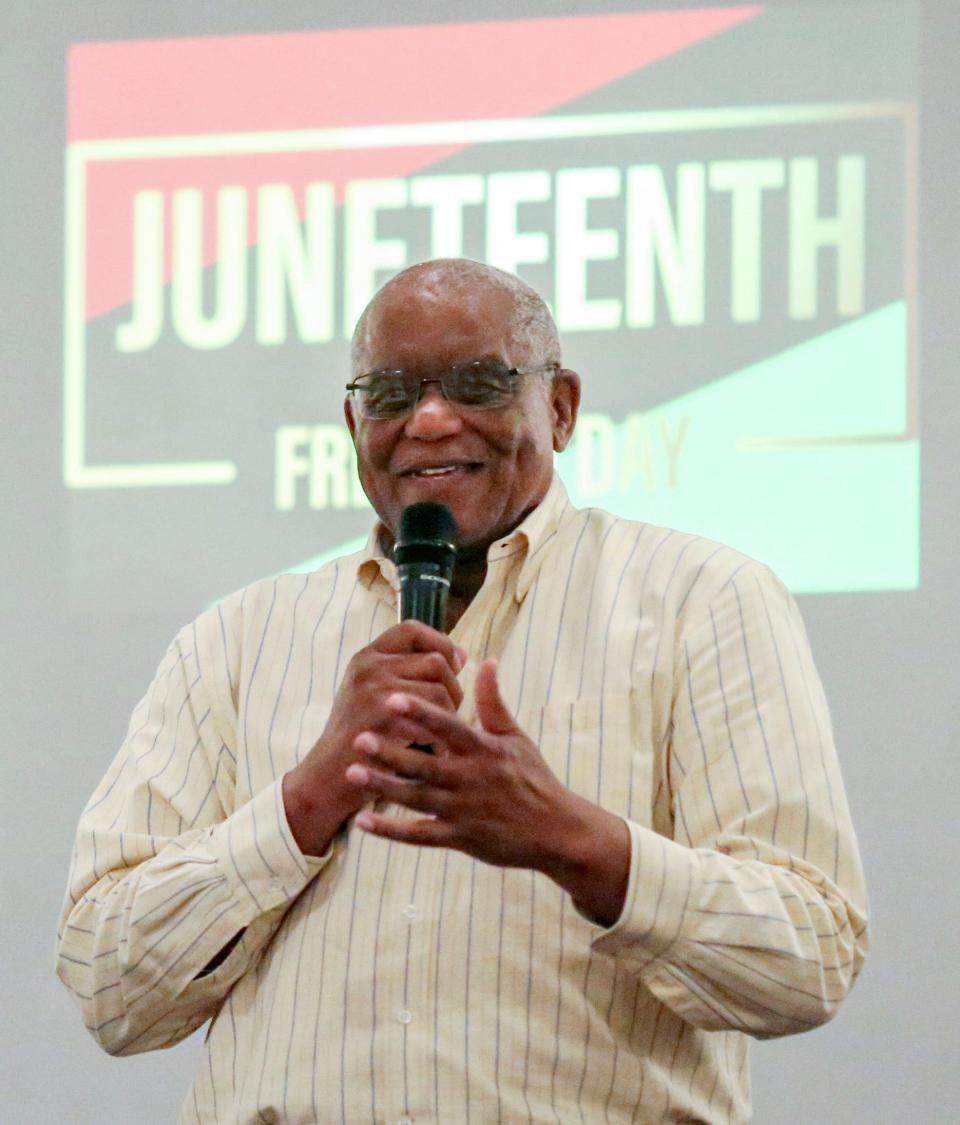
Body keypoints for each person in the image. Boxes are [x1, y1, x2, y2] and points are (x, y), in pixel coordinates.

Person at [57, 259, 868, 1124]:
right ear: (352, 420)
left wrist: (570, 839)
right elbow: (111, 986)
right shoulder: (234, 640)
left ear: (559, 407)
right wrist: (306, 798)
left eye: (480, 382)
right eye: (392, 392)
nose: (431, 419)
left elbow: (807, 956)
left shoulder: (702, 599)